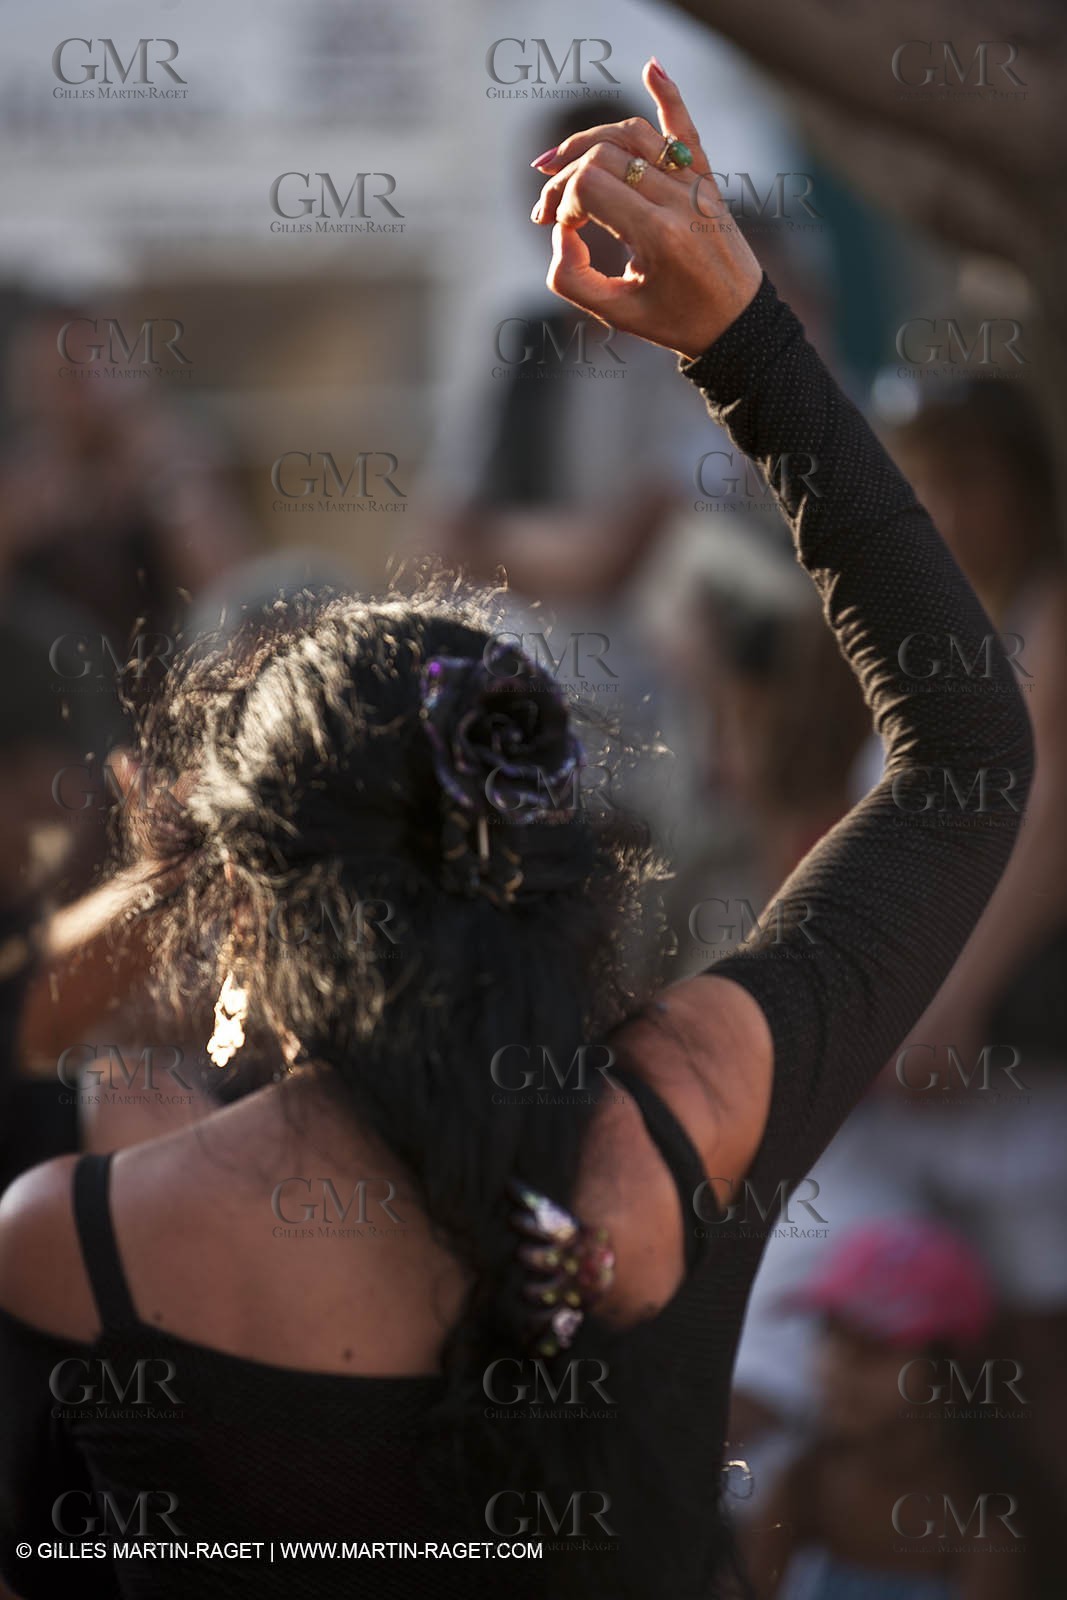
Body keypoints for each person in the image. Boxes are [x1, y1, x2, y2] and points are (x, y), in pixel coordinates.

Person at [0, 61, 1032, 1600]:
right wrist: (744, 345)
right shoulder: (694, 1108)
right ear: (549, 850)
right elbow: (962, 754)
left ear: (241, 891)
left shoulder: (77, 1237)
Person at [742, 1219, 1025, 1598]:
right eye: (831, 1333)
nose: (838, 1367)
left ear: (947, 1374)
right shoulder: (806, 1484)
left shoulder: (978, 1524)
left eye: (874, 1347)